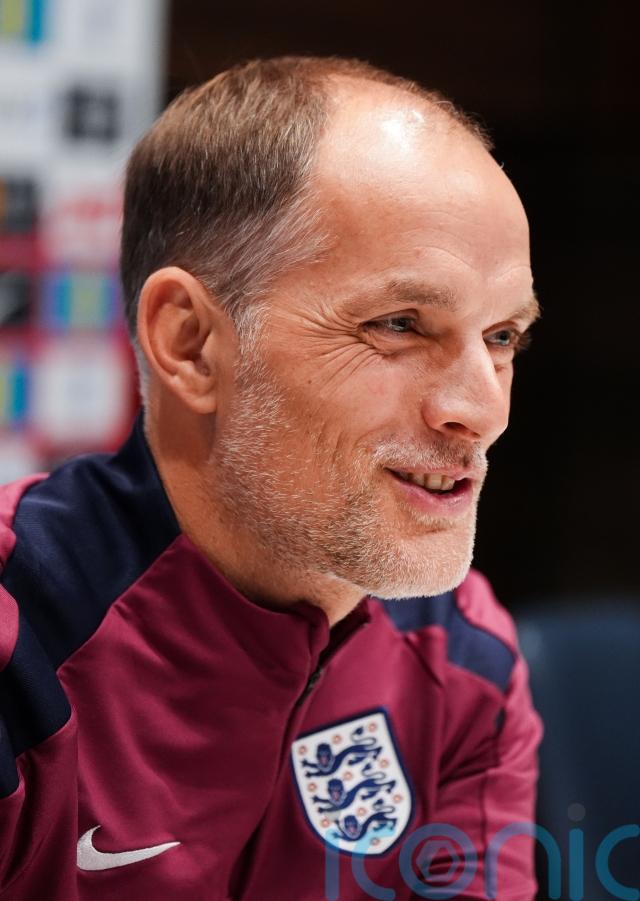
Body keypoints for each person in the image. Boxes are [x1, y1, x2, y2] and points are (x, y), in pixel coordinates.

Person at [0, 56, 542, 900]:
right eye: (400, 324)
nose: (482, 409)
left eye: (502, 337)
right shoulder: (15, 640)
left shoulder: (468, 654)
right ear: (190, 343)